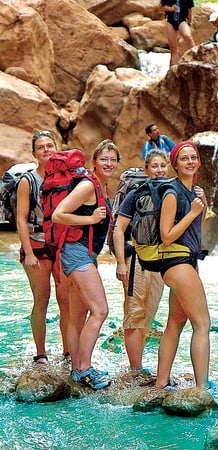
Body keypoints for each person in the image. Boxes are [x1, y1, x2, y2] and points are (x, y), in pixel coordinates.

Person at [52, 139, 119, 389]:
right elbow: (59, 214)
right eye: (104, 159)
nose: (109, 163)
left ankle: (75, 367)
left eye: (113, 159)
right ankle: (85, 369)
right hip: (76, 251)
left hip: (82, 253)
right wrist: (91, 218)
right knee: (100, 310)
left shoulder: (102, 186)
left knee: (78, 314)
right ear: (94, 161)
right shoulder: (88, 186)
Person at [155, 141, 209, 390]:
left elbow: (198, 230)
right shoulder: (171, 192)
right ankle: (201, 390)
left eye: (193, 157)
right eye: (184, 158)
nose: (189, 161)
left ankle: (161, 383)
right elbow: (166, 235)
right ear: (175, 164)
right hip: (176, 262)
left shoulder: (195, 191)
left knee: (175, 324)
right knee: (202, 325)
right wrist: (192, 212)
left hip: (188, 261)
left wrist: (202, 205)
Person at [16, 131, 70, 364]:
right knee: (42, 298)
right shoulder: (27, 181)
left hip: (60, 246)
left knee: (65, 299)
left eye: (50, 146)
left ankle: (68, 351)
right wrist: (28, 252)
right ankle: (41, 353)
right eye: (41, 147)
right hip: (36, 246)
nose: (46, 150)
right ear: (34, 153)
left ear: (57, 149)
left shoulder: (65, 177)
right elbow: (20, 219)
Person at [114, 149, 168, 373]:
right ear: (146, 170)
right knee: (135, 314)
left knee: (149, 314)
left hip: (160, 261)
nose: (159, 170)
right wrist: (120, 262)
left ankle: (139, 366)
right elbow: (118, 229)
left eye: (162, 166)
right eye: (154, 166)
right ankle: (135, 369)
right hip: (136, 259)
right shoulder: (136, 194)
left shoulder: (171, 192)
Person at [160, 0, 195, 66]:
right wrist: (171, 9)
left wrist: (190, 23)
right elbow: (162, 7)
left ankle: (196, 56)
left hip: (182, 20)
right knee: (173, 49)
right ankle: (172, 70)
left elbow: (189, 9)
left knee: (188, 36)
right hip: (171, 21)